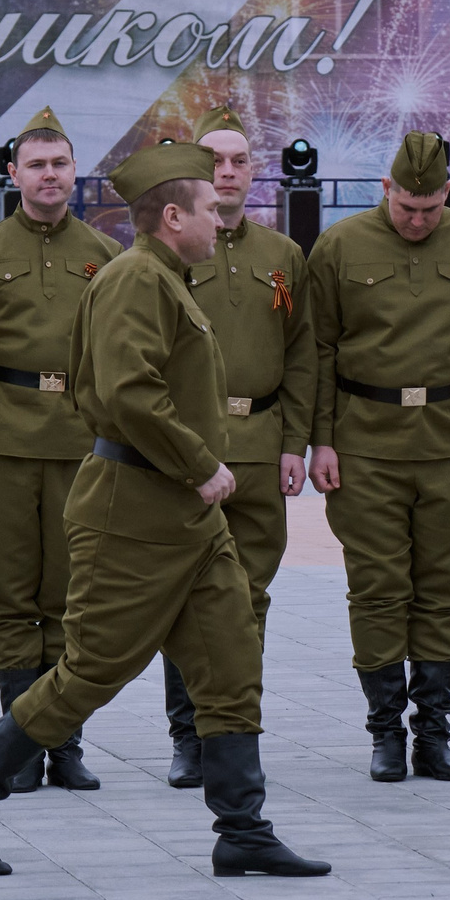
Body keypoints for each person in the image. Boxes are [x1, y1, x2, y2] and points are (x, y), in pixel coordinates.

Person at [0, 141, 328, 881]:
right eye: (208, 208)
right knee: (90, 673)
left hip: (182, 519)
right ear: (173, 216)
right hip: (132, 510)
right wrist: (202, 464)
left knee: (231, 657)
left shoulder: (168, 278)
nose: (221, 218)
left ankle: (242, 826)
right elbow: (129, 392)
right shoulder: (137, 279)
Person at [307, 132, 450, 783]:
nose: (418, 220)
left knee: (441, 587)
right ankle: (385, 733)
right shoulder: (340, 247)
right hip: (364, 440)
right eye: (407, 207)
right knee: (377, 588)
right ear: (386, 190)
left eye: (431, 208)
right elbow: (316, 348)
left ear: (449, 194)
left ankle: (434, 733)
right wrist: (321, 437)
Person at [0, 105, 120, 795]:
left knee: (77, 597)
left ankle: (67, 742)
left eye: (60, 164)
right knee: (12, 597)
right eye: (36, 165)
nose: (49, 176)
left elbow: (117, 361)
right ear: (13, 172)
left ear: (76, 172)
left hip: (81, 444)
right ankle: (18, 743)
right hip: (3, 443)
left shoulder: (106, 255)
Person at [165, 107, 314, 788]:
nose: (226, 171)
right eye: (214, 160)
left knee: (249, 596)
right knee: (183, 593)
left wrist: (296, 442)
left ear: (255, 172)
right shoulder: (165, 254)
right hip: (187, 448)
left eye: (239, 161)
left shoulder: (282, 256)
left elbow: (304, 353)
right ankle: (187, 737)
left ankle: (235, 736)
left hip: (259, 442)